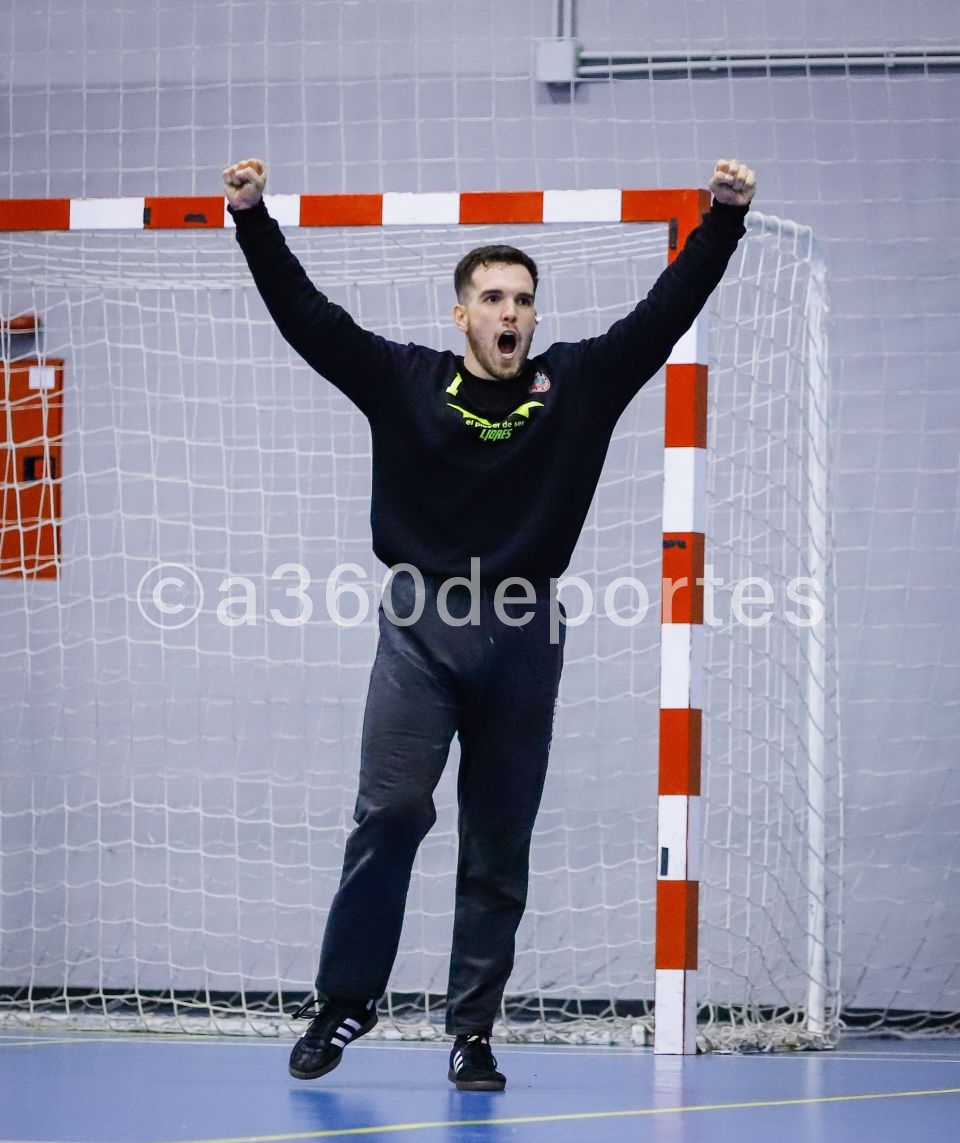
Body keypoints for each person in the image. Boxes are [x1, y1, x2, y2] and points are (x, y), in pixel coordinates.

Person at [222, 155, 756, 1090]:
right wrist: (254, 220)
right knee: (389, 814)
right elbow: (308, 319)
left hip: (526, 630)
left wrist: (722, 220)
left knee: (498, 838)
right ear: (460, 315)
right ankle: (346, 1003)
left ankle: (472, 1030)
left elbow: (666, 313)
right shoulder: (403, 381)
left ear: (535, 317)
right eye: (492, 298)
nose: (509, 313)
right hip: (421, 624)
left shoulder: (579, 385)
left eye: (523, 299)